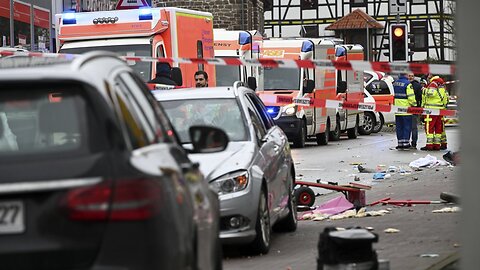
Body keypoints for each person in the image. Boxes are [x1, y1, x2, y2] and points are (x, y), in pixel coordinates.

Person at [421, 75, 448, 151]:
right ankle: (437, 145)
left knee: (429, 127)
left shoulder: (433, 83)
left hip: (431, 110)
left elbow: (431, 93)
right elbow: (446, 98)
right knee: (438, 128)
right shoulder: (442, 86)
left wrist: (423, 90)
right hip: (440, 110)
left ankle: (429, 145)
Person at [393, 74, 417, 150]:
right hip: (406, 109)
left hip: (397, 109)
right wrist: (414, 105)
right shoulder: (408, 84)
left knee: (399, 127)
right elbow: (411, 97)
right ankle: (406, 143)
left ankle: (400, 143)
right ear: (406, 75)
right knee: (406, 127)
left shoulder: (395, 83)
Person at [408, 73, 423, 149]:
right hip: (407, 108)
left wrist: (419, 108)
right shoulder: (406, 84)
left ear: (414, 77)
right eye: (409, 76)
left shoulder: (417, 85)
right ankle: (408, 143)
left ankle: (414, 143)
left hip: (414, 109)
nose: (410, 77)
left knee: (413, 127)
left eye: (412, 76)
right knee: (410, 127)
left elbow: (420, 98)